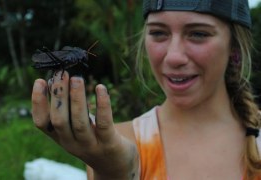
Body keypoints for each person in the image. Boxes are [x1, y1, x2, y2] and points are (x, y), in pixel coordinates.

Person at [31, 0, 261, 179]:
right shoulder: (113, 144)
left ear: (234, 46)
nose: (173, 57)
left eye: (198, 34)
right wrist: (114, 176)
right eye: (158, 33)